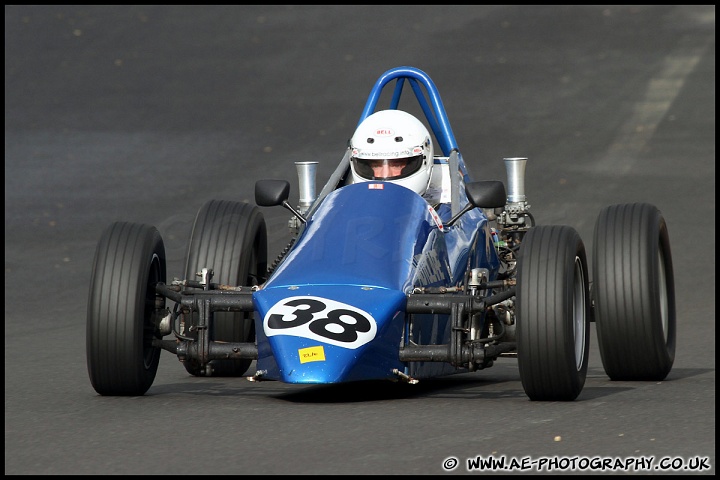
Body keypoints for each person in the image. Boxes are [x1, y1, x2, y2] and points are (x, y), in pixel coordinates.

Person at [349, 109, 435, 197]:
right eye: (376, 166)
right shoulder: (345, 206)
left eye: (396, 165)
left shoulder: (445, 210)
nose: (385, 174)